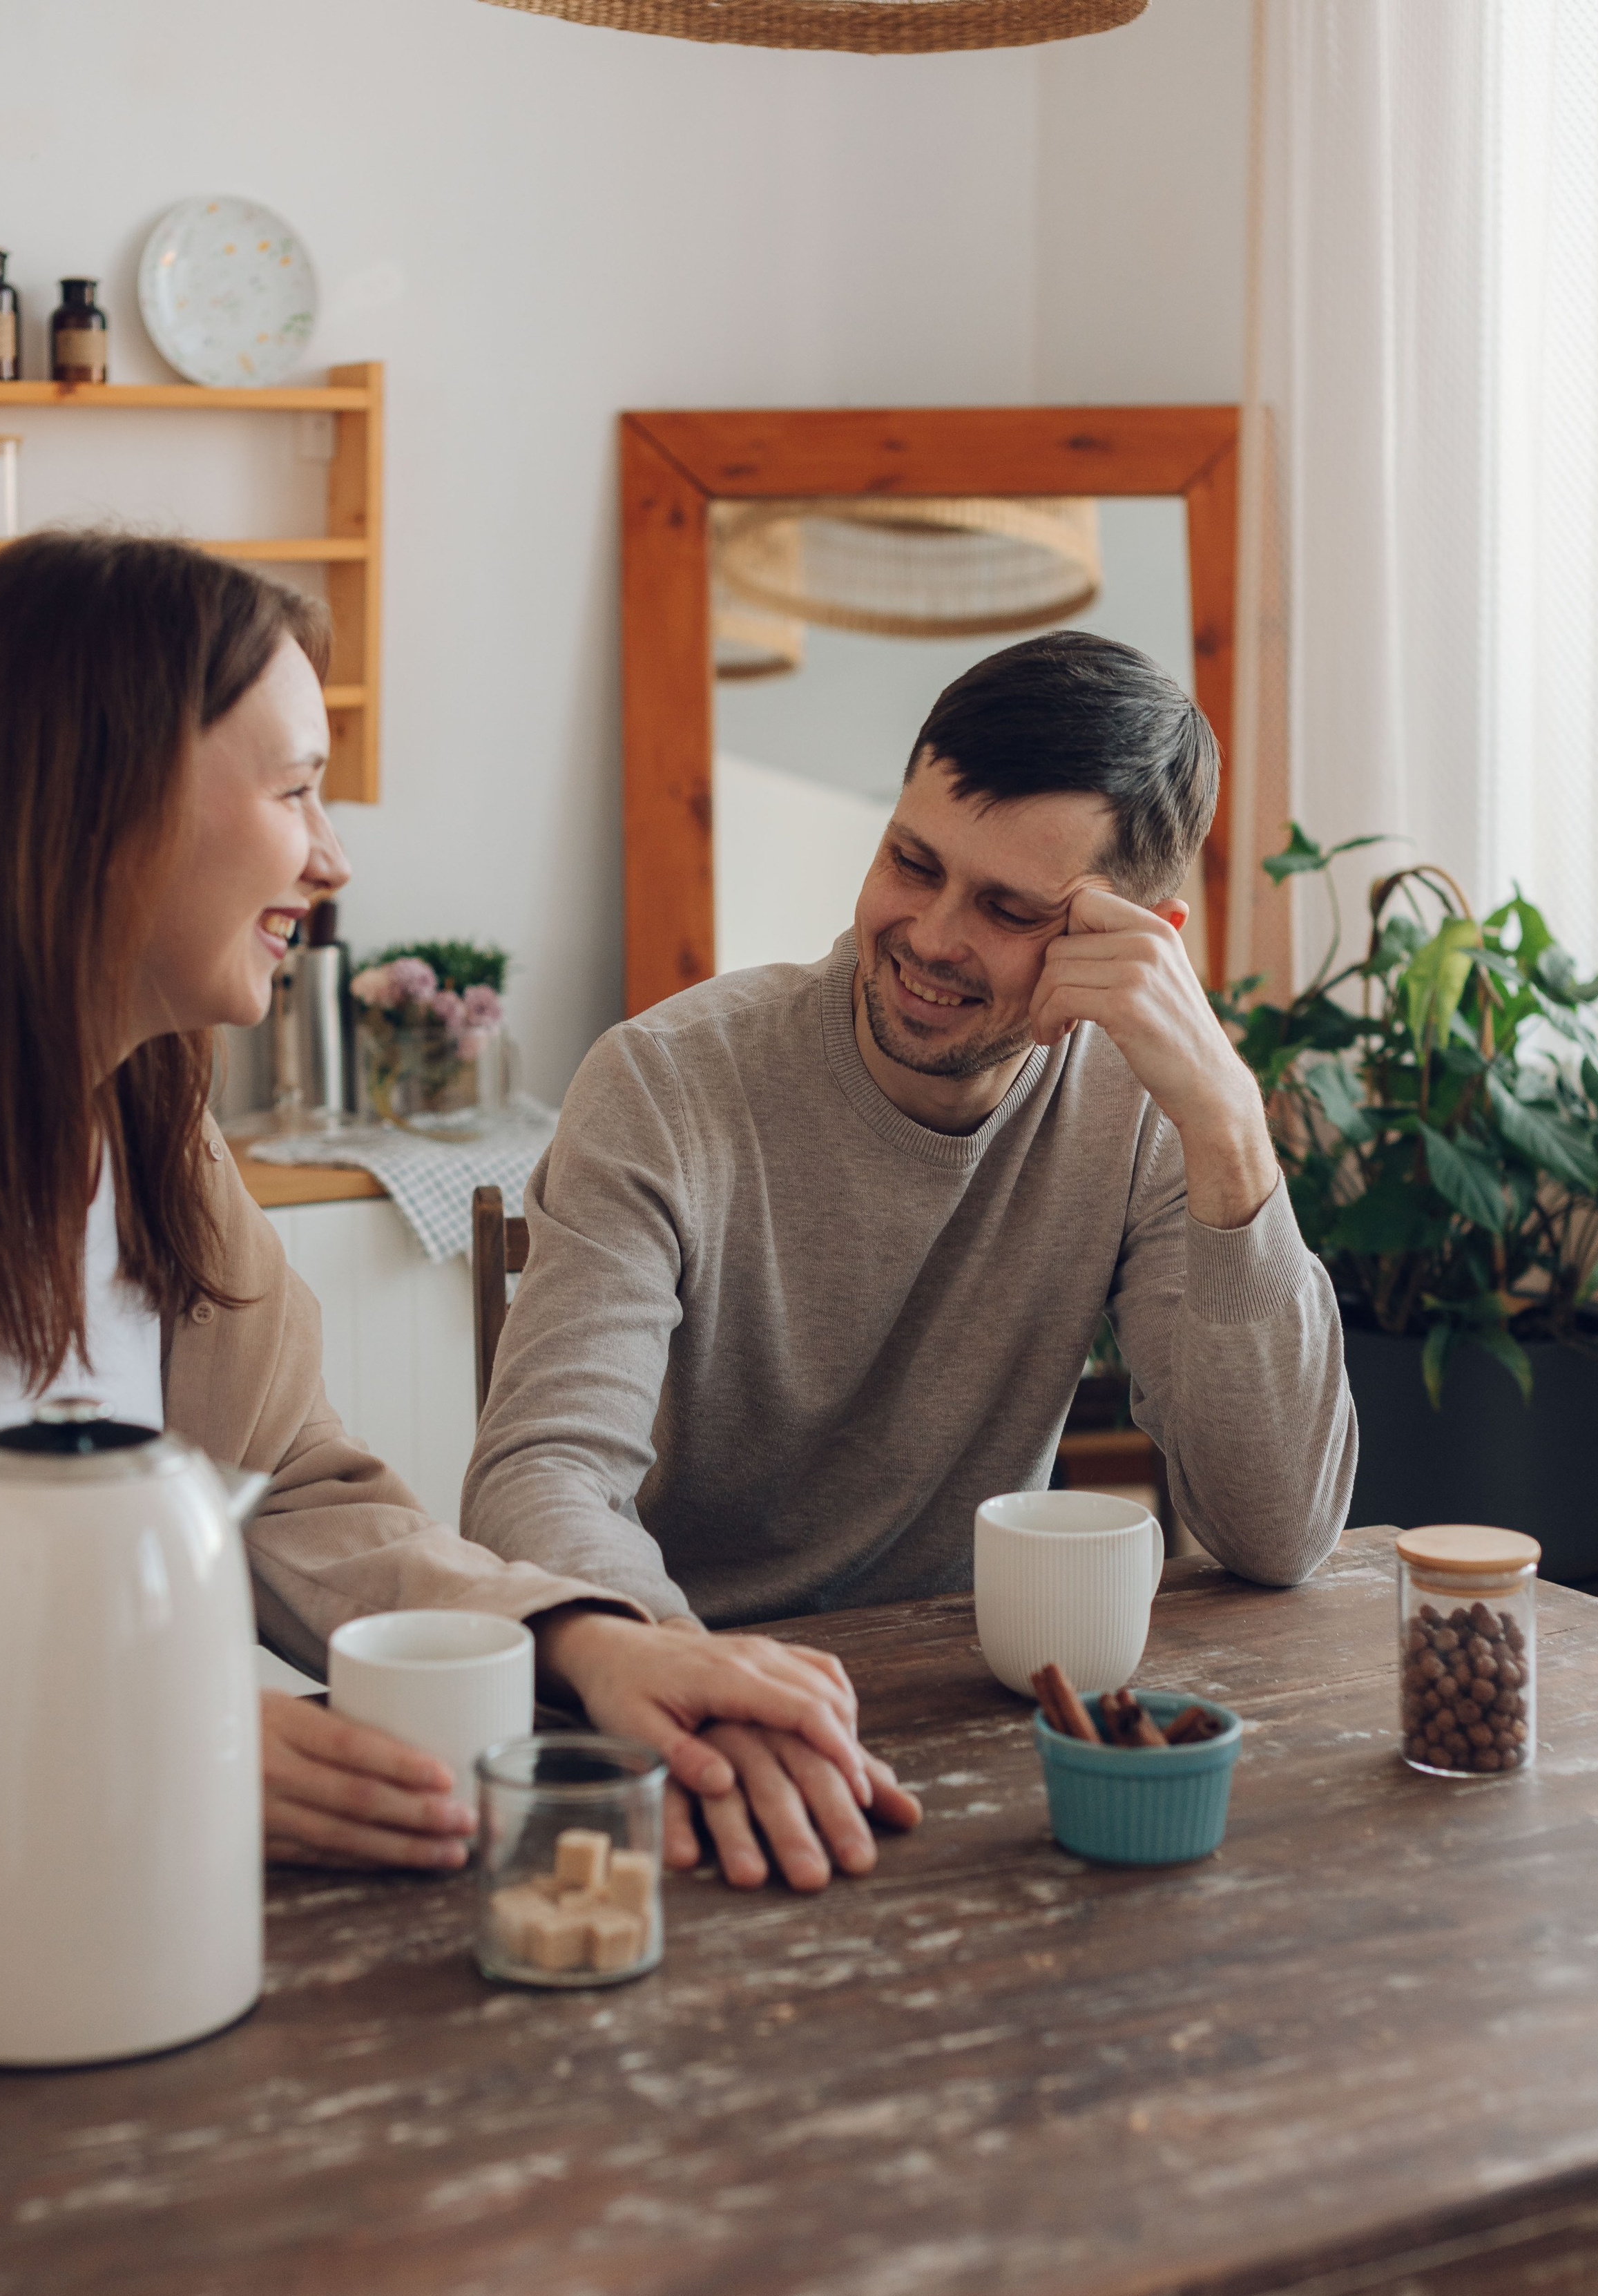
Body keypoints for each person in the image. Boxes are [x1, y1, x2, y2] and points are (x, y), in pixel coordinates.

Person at [0, 530, 903, 1890]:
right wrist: (139, 1742)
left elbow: (292, 1487)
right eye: (298, 791)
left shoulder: (155, 1127)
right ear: (99, 804)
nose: (332, 859)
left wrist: (586, 1644)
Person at [463, 632, 1356, 1830]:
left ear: (1134, 937)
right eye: (910, 861)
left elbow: (1280, 1532)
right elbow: (541, 1475)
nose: (931, 936)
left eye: (1008, 908)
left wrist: (1231, 1130)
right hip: (685, 1702)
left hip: (981, 1717)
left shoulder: (1142, 1111)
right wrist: (675, 1666)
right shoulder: (666, 1083)